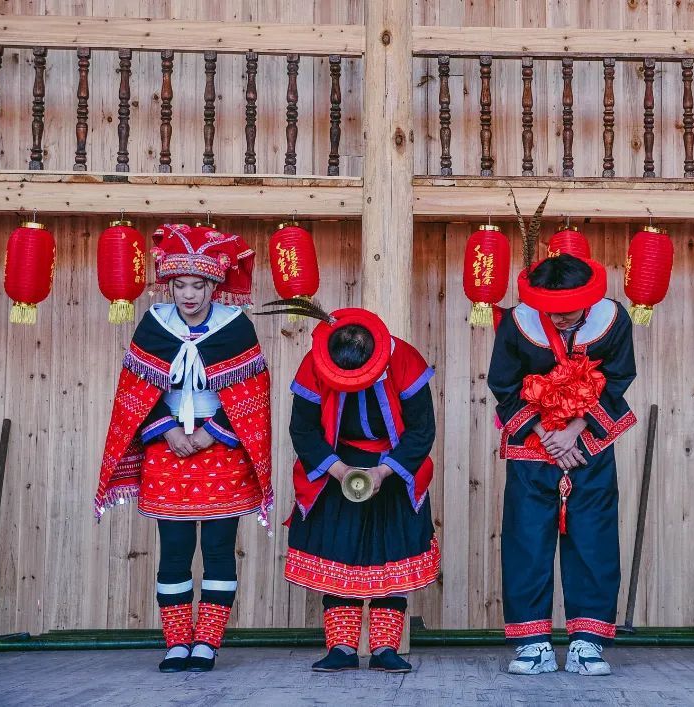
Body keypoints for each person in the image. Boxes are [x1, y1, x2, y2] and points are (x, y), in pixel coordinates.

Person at [94, 223, 272, 673]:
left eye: (198, 285)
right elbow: (136, 389)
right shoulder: (156, 324)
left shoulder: (236, 327)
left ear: (214, 285)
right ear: (168, 285)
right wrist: (168, 431)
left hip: (222, 448)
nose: (188, 294)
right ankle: (177, 642)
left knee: (218, 547)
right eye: (179, 285)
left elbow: (252, 395)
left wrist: (212, 433)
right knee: (173, 547)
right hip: (167, 446)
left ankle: (207, 642)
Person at [488, 253, 637, 676]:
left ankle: (587, 643)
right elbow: (503, 384)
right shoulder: (517, 323)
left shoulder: (614, 320)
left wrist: (574, 431)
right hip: (532, 447)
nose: (559, 321)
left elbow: (619, 378)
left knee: (593, 541)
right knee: (526, 541)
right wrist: (546, 434)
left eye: (568, 314)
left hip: (588, 445)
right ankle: (532, 644)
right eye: (551, 313)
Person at [270, 301, 439, 674]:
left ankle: (385, 648)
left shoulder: (405, 359)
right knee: (339, 553)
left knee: (391, 555)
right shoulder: (314, 362)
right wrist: (340, 470)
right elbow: (303, 430)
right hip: (336, 465)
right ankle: (342, 648)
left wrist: (383, 472)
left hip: (392, 466)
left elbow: (422, 430)